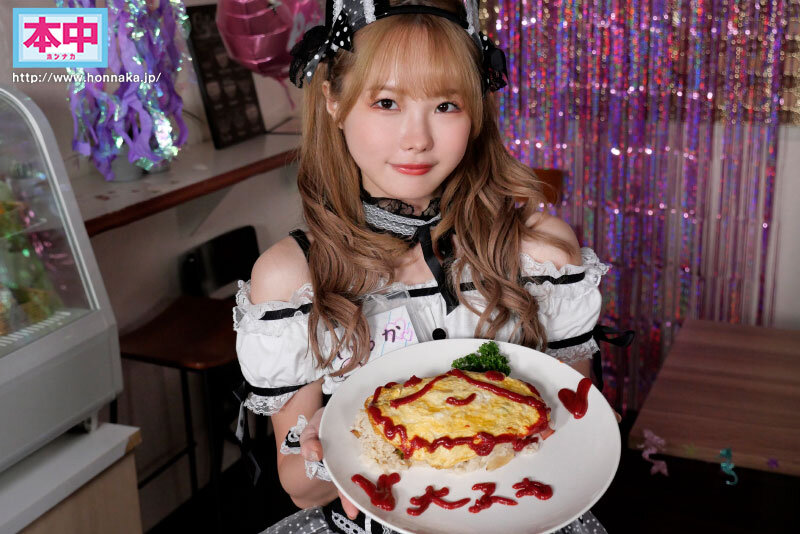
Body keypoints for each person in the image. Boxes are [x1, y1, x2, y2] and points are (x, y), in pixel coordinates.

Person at [234, 1, 627, 532]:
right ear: (334, 101)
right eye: (387, 102)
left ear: (475, 111)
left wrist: (593, 426)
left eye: (445, 105)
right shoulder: (292, 277)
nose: (417, 138)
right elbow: (298, 487)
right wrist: (330, 443)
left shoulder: (544, 254)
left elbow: (576, 424)